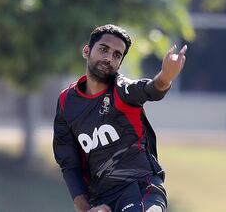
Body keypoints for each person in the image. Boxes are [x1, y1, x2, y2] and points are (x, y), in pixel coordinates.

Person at [53, 24, 187, 212]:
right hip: (103, 200)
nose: (109, 58)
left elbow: (148, 90)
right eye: (103, 49)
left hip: (140, 189)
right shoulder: (67, 102)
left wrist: (165, 77)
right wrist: (85, 208)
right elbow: (68, 162)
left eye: (117, 55)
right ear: (86, 51)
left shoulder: (121, 90)